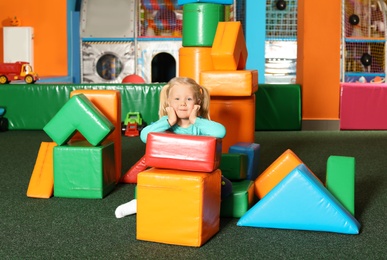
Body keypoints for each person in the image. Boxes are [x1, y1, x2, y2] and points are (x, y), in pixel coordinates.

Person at [115, 77, 232, 218]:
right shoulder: (165, 123)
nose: (182, 103)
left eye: (189, 99)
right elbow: (145, 136)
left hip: (196, 176)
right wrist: (169, 121)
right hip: (170, 175)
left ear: (197, 103)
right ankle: (141, 203)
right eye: (176, 99)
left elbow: (221, 132)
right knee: (161, 187)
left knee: (226, 187)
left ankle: (189, 206)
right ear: (168, 103)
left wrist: (195, 119)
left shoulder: (200, 125)